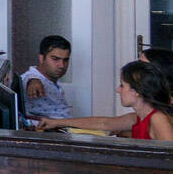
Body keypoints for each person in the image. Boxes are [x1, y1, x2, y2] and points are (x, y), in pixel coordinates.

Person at [39, 59, 173, 140]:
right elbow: (104, 123)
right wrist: (56, 122)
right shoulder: (138, 117)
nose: (118, 90)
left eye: (122, 85)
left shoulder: (157, 119)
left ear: (135, 91)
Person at [22, 35, 73, 119]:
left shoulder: (52, 81)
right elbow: (26, 79)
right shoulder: (32, 79)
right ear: (42, 58)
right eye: (55, 59)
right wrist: (33, 80)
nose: (61, 65)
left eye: (65, 60)